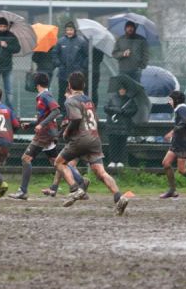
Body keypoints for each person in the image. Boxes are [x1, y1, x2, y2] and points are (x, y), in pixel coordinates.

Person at [55, 72, 129, 216]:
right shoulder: (88, 100)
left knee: (59, 163)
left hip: (81, 138)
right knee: (101, 172)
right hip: (94, 138)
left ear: (69, 85)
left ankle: (76, 190)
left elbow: (75, 119)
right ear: (83, 85)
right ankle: (119, 197)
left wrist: (66, 133)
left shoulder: (70, 101)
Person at [8, 73, 88, 200]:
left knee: (26, 158)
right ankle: (81, 182)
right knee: (57, 163)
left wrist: (41, 125)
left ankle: (22, 191)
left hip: (44, 134)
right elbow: (45, 117)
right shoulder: (43, 96)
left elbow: (56, 110)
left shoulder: (45, 95)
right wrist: (32, 124)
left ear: (36, 85)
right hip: (49, 133)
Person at [52, 21, 88, 112]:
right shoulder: (60, 41)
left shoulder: (81, 41)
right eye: (67, 30)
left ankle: (78, 112)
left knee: (77, 94)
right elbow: (54, 54)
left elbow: (87, 56)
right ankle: (63, 113)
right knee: (62, 94)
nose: (69, 32)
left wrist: (82, 68)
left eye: (71, 29)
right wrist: (59, 64)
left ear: (74, 30)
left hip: (77, 75)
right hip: (63, 74)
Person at [104, 85, 137, 168]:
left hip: (124, 126)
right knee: (113, 144)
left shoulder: (129, 100)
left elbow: (134, 110)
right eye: (121, 89)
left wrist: (125, 111)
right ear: (118, 90)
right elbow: (106, 108)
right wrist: (115, 109)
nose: (122, 91)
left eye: (124, 89)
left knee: (122, 144)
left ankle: (120, 161)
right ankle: (112, 160)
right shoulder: (112, 98)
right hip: (112, 125)